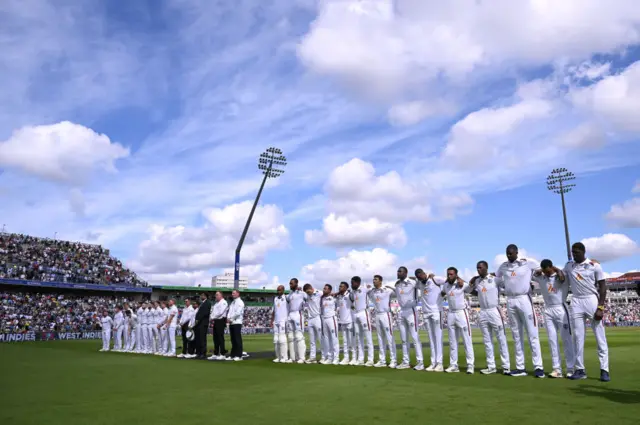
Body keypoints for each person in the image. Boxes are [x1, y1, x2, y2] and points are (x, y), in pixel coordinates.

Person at [496, 244, 544, 378]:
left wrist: (534, 281)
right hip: (510, 300)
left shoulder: (527, 263)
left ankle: (538, 366)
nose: (509, 256)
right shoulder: (503, 266)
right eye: (507, 253)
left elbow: (541, 268)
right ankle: (520, 367)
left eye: (511, 253)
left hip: (524, 299)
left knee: (532, 334)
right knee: (516, 335)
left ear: (517, 253)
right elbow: (497, 277)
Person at [564, 243, 610, 382]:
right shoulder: (569, 266)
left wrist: (600, 307)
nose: (574, 254)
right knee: (578, 337)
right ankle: (580, 369)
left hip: (591, 299)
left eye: (577, 252)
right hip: (576, 300)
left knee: (599, 334)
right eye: (573, 252)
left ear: (584, 252)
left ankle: (604, 369)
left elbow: (603, 287)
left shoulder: (594, 265)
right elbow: (560, 274)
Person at [533, 259, 575, 378]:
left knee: (566, 339)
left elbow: (562, 278)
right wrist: (543, 270)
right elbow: (534, 274)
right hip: (548, 309)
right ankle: (557, 369)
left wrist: (555, 269)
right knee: (552, 340)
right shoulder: (542, 278)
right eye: (544, 271)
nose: (546, 274)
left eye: (547, 271)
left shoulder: (560, 276)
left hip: (561, 307)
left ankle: (570, 368)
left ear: (552, 267)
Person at [468, 261, 510, 375]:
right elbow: (470, 291)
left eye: (480, 268)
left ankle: (506, 366)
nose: (478, 270)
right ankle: (491, 366)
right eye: (477, 268)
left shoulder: (495, 279)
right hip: (483, 311)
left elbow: (507, 284)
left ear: (486, 268)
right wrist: (472, 281)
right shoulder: (477, 281)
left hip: (494, 310)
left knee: (501, 338)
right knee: (487, 340)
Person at [440, 267, 474, 374]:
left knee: (466, 340)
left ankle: (470, 365)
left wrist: (462, 281)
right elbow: (441, 293)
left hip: (461, 312)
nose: (449, 276)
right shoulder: (446, 285)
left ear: (456, 275)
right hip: (450, 313)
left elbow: (471, 290)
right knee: (452, 341)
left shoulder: (461, 284)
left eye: (451, 274)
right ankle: (454, 365)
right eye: (448, 274)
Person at [394, 266, 424, 370]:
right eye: (398, 271)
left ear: (405, 273)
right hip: (401, 311)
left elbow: (423, 285)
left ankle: (420, 361)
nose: (398, 273)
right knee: (403, 339)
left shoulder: (413, 282)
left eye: (400, 271)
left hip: (411, 310)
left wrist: (417, 279)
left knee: (415, 337)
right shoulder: (397, 284)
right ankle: (406, 361)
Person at [415, 269, 444, 372]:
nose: (420, 279)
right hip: (426, 313)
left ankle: (440, 363)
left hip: (436, 311)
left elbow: (448, 281)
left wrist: (443, 293)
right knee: (431, 339)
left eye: (421, 276)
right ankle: (433, 363)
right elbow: (411, 281)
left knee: (438, 338)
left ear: (424, 274)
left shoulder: (435, 279)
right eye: (418, 278)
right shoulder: (419, 283)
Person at [369, 274, 397, 368]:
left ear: (381, 281)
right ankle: (382, 360)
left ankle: (394, 360)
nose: (374, 281)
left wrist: (391, 287)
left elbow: (397, 294)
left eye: (376, 279)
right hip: (377, 315)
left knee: (389, 337)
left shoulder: (386, 290)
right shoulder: (372, 292)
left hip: (386, 314)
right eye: (373, 280)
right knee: (380, 338)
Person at [350, 276, 375, 366]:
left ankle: (370, 359)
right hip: (355, 313)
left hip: (363, 313)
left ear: (358, 283)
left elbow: (373, 288)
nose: (351, 284)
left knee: (368, 336)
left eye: (352, 283)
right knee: (358, 337)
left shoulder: (365, 289)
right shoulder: (352, 292)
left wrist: (370, 286)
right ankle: (360, 359)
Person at [286, 278, 306, 363]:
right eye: (290, 284)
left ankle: (302, 357)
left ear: (296, 284)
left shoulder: (302, 293)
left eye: (292, 283)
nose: (290, 285)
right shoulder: (289, 295)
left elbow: (308, 298)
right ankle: (293, 357)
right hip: (290, 314)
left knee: (299, 336)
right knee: (290, 337)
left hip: (298, 314)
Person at [336, 282, 356, 365]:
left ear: (346, 288)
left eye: (341, 286)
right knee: (345, 341)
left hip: (350, 320)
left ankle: (354, 358)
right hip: (342, 321)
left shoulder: (349, 295)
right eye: (339, 286)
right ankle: (346, 358)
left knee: (352, 341)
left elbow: (354, 301)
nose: (339, 287)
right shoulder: (339, 296)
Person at [303, 283, 323, 364]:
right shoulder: (307, 295)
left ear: (311, 288)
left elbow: (327, 294)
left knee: (321, 339)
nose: (308, 294)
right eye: (307, 293)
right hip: (310, 319)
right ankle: (312, 357)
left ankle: (325, 356)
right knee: (312, 340)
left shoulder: (319, 293)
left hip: (317, 317)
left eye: (308, 292)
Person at [320, 284, 339, 365]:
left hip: (332, 318)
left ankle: (336, 358)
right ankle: (329, 357)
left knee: (334, 338)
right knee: (327, 339)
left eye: (325, 289)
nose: (324, 290)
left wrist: (336, 293)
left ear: (330, 290)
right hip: (324, 319)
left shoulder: (334, 298)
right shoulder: (322, 298)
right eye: (323, 288)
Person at [272, 285, 290, 363]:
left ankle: (284, 357)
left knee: (282, 339)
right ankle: (278, 357)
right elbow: (274, 310)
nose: (278, 291)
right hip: (276, 321)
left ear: (283, 290)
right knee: (276, 340)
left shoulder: (286, 298)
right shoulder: (275, 298)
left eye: (280, 290)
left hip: (283, 320)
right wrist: (271, 320)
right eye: (277, 290)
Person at [209, 291, 229, 360]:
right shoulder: (216, 303)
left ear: (221, 295)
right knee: (215, 338)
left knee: (220, 337)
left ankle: (222, 354)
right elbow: (213, 312)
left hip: (220, 320)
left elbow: (220, 312)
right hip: (216, 321)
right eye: (215, 295)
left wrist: (212, 317)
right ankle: (216, 353)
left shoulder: (224, 302)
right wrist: (212, 317)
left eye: (217, 295)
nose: (216, 296)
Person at [227, 290, 245, 361]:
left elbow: (238, 313)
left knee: (237, 339)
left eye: (234, 293)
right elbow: (229, 311)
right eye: (232, 293)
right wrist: (228, 318)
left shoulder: (240, 302)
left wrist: (231, 318)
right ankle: (233, 355)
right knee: (233, 340)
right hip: (232, 322)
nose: (232, 294)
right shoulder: (232, 302)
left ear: (238, 294)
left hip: (237, 322)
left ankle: (239, 355)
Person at [193, 294, 212, 359]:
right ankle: (198, 352)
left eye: (202, 295)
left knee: (202, 339)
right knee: (198, 338)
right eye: (201, 295)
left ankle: (203, 353)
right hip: (199, 323)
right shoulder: (202, 303)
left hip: (203, 323)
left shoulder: (207, 303)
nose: (201, 296)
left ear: (205, 296)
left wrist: (198, 319)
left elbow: (205, 313)